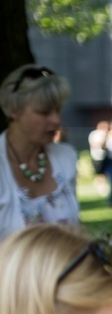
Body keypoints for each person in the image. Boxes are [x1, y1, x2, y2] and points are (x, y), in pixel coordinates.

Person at [0, 65, 79, 240]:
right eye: (44, 112)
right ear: (14, 111)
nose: (56, 120)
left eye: (58, 110)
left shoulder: (65, 158)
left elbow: (76, 231)